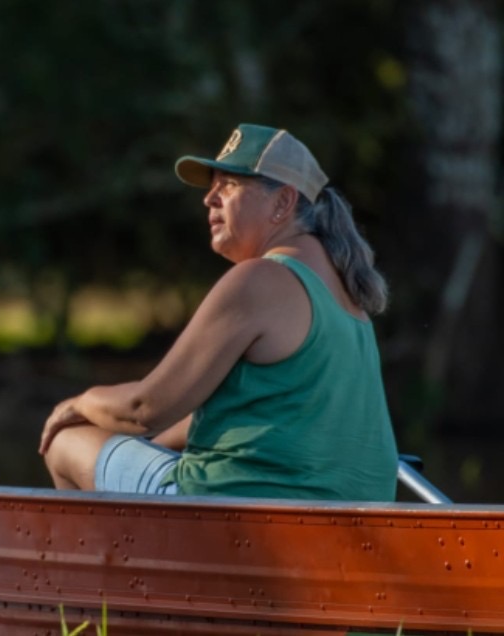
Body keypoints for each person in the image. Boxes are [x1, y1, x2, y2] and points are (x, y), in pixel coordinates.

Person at [38, 123, 399, 501]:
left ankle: (98, 560)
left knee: (67, 440)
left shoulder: (260, 279)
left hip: (241, 511)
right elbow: (244, 415)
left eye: (229, 184)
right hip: (347, 523)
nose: (209, 199)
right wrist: (153, 448)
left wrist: (79, 403)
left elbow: (142, 409)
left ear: (283, 202)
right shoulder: (348, 296)